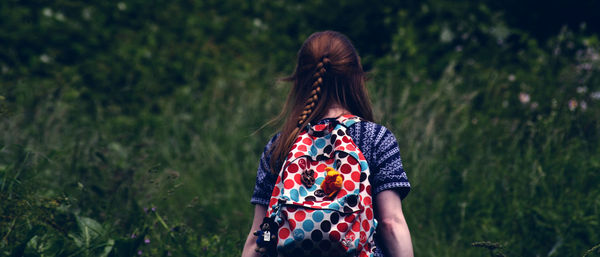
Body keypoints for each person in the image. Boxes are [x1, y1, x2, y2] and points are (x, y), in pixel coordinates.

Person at [242, 31, 413, 257]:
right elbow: (390, 223)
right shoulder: (376, 138)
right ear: (355, 78)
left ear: (300, 80)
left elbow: (259, 236)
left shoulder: (279, 145)